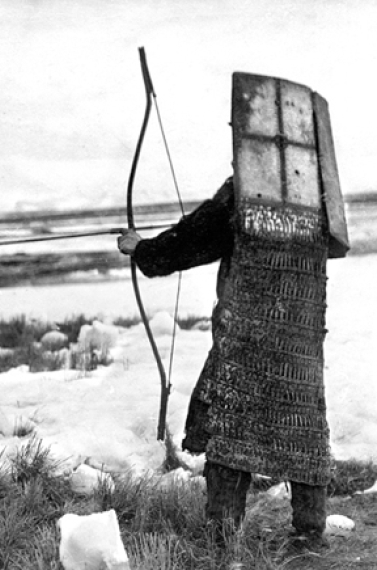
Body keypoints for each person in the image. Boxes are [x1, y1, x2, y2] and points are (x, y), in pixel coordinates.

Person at [117, 73, 349, 552]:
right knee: (301, 428)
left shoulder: (243, 195)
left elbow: (188, 243)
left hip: (247, 341)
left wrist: (143, 249)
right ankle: (310, 529)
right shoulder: (317, 202)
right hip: (300, 349)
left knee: (231, 427)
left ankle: (222, 535)